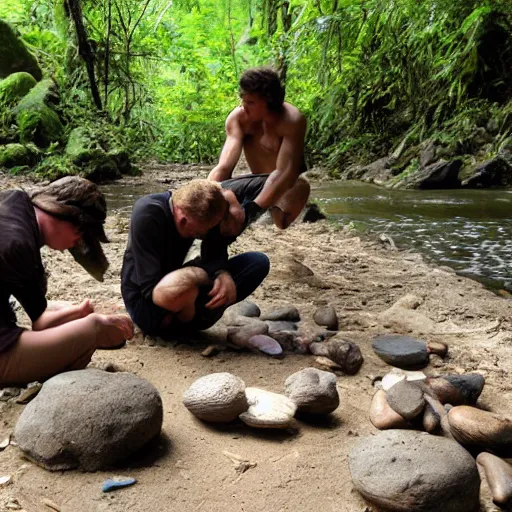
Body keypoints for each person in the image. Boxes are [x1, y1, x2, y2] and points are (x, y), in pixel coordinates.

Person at [0, 177, 134, 386]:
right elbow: (41, 324)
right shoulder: (20, 245)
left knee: (65, 314)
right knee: (92, 329)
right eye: (81, 232)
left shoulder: (13, 201)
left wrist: (77, 311)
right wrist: (92, 318)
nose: (77, 243)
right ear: (65, 215)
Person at [121, 179, 270, 339]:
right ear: (183, 220)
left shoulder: (205, 213)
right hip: (148, 305)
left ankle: (193, 319)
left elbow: (214, 250)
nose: (203, 235)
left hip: (184, 295)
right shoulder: (148, 213)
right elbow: (151, 289)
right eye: (200, 233)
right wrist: (200, 276)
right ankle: (186, 322)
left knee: (258, 262)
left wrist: (222, 273)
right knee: (184, 286)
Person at [208, 66, 311, 230]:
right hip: (257, 183)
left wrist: (253, 210)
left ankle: (292, 210)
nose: (243, 106)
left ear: (269, 101)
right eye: (243, 100)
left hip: (286, 184)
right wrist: (207, 197)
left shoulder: (292, 120)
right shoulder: (239, 119)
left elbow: (285, 172)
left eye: (250, 102)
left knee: (284, 216)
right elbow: (224, 166)